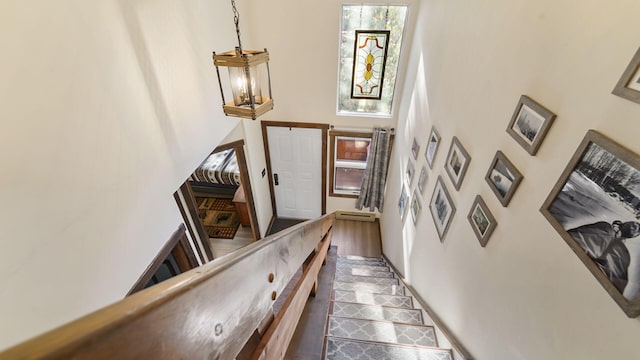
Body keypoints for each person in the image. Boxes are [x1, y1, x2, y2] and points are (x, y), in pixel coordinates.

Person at [568, 220, 640, 298]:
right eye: (634, 224)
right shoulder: (605, 228)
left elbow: (617, 282)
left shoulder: (623, 254)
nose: (636, 227)